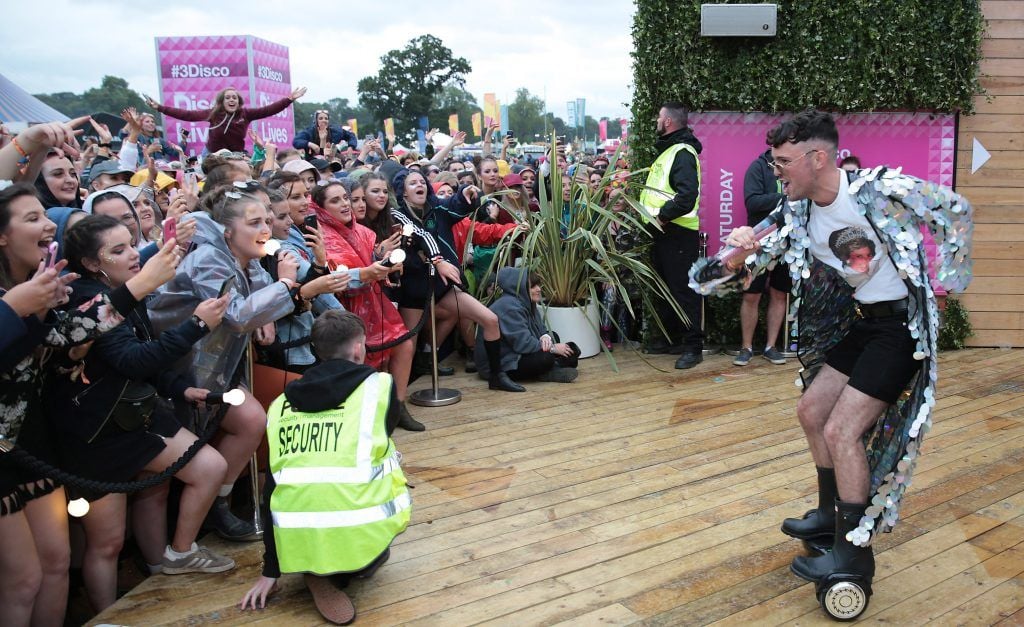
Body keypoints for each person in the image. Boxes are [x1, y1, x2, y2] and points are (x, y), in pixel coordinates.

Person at [691, 109, 973, 599]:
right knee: (812, 410)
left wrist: (947, 283)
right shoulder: (796, 212)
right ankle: (829, 514)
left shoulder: (875, 190)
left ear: (817, 157)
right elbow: (714, 278)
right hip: (863, 324)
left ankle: (854, 551)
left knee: (843, 430)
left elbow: (957, 210)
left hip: (902, 330)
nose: (775, 172)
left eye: (782, 162)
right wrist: (733, 253)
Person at [0, 183, 179, 626]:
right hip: (5, 457)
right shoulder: (18, 296)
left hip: (34, 444)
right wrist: (9, 310)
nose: (48, 224)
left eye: (44, 215)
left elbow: (72, 333)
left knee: (58, 563)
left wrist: (135, 287)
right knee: (23, 579)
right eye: (31, 218)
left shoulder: (41, 286)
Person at [56, 215, 235, 610]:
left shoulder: (120, 289)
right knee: (107, 543)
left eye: (133, 242)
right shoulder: (86, 300)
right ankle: (106, 615)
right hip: (97, 433)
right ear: (90, 264)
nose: (135, 254)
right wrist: (196, 326)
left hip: (136, 414)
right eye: (118, 250)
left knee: (198, 471)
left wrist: (178, 387)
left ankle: (170, 559)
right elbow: (132, 360)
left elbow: (137, 361)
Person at [147, 188, 301, 541]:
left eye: (267, 220)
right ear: (227, 231)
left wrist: (272, 304)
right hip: (169, 371)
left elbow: (260, 302)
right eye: (255, 222)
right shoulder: (208, 259)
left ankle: (219, 505)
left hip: (217, 369)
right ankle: (170, 551)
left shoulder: (248, 259)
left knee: (252, 420)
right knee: (154, 485)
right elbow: (233, 315)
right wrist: (287, 283)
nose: (266, 228)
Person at [239, 310, 409, 625]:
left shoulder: (280, 405)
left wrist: (270, 570)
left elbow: (271, 490)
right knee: (388, 456)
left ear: (315, 350)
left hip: (297, 529)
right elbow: (384, 433)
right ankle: (339, 567)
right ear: (359, 348)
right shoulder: (380, 387)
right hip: (362, 521)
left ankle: (315, 564)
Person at [639, 102, 702, 369]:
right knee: (668, 290)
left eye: (659, 116)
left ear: (667, 122)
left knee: (683, 291)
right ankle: (674, 340)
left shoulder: (682, 152)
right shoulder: (669, 150)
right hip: (663, 231)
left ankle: (693, 347)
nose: (656, 120)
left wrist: (662, 216)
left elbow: (687, 196)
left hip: (676, 231)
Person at [474, 268, 580, 386]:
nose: (539, 289)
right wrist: (553, 348)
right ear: (519, 288)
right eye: (533, 286)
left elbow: (540, 328)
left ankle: (550, 368)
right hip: (500, 364)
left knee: (559, 341)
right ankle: (548, 370)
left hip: (517, 351)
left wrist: (545, 336)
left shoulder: (526, 301)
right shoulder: (508, 307)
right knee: (546, 358)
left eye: (538, 285)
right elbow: (523, 344)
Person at [734, 148, 790, 366]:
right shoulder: (757, 167)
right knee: (751, 295)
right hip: (757, 243)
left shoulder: (794, 167)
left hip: (787, 243)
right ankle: (746, 347)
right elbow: (753, 202)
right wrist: (784, 198)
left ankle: (771, 347)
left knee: (779, 294)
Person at [144, 86, 307, 154]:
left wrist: (289, 99)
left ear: (238, 101)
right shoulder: (213, 114)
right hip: (212, 155)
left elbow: (269, 109)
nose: (231, 100)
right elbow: (186, 114)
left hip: (236, 155)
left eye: (234, 98)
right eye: (228, 97)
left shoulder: (246, 114)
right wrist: (160, 108)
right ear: (222, 101)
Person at [292, 110, 358, 159]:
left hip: (333, 157)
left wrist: (351, 147)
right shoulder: (309, 131)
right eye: (320, 118)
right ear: (315, 121)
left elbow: (351, 135)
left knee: (344, 161)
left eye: (326, 118)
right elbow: (296, 141)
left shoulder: (336, 131)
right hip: (314, 159)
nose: (324, 120)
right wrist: (310, 144)